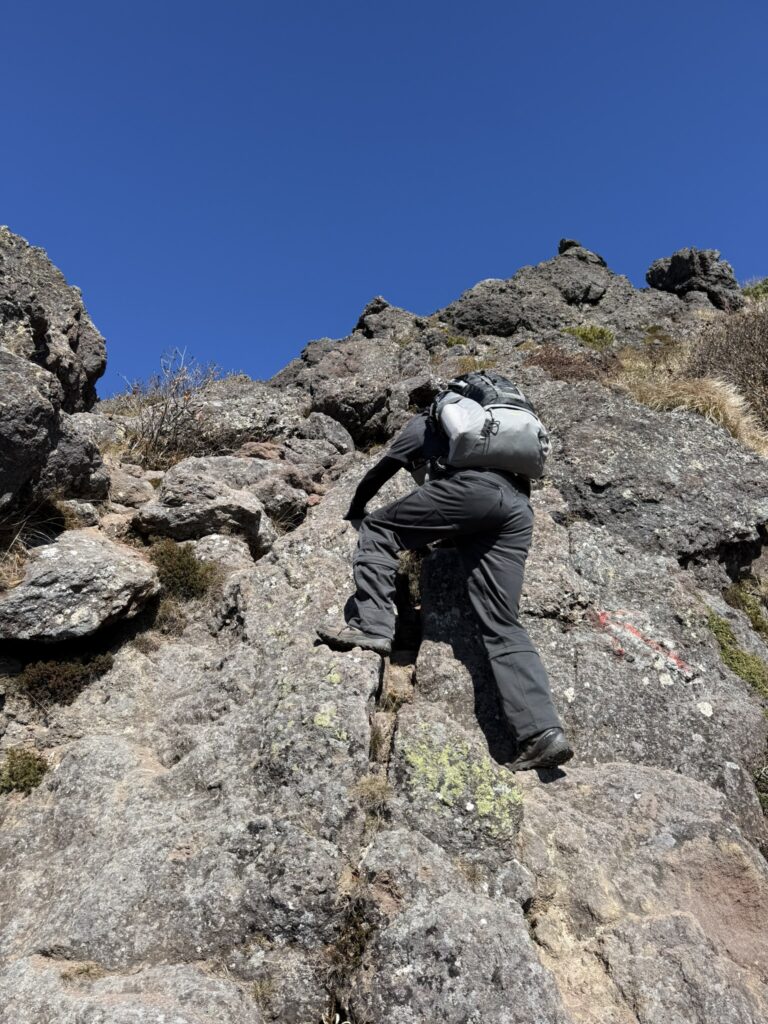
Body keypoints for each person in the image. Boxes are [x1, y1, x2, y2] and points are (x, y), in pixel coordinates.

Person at [316, 385, 573, 772]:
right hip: (518, 508)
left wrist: (357, 509)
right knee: (502, 622)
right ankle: (541, 733)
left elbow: (385, 468)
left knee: (380, 529)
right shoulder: (497, 433)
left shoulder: (428, 419)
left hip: (472, 493)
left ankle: (372, 626)